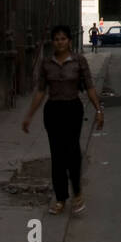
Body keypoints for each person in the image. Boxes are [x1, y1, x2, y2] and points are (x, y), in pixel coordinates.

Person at [22, 24, 104, 216]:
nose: (60, 42)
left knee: (73, 152)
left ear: (69, 41)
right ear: (53, 42)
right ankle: (60, 198)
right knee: (57, 154)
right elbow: (41, 91)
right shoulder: (46, 64)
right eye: (56, 39)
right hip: (53, 111)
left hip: (73, 108)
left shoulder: (79, 61)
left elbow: (90, 87)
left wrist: (98, 110)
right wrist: (29, 115)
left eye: (63, 39)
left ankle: (77, 193)